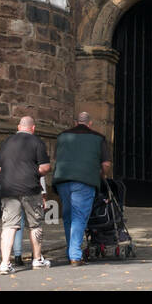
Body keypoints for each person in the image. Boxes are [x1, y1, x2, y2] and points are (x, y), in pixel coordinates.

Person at [51, 111, 112, 266]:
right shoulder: (98, 138)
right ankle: (75, 255)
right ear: (89, 123)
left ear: (75, 122)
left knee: (68, 216)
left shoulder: (62, 136)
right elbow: (106, 164)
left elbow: (56, 159)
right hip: (84, 181)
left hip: (63, 180)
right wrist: (100, 175)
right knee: (79, 216)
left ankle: (71, 252)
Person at [0, 115, 52, 275]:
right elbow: (45, 167)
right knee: (34, 224)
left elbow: (0, 170)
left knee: (8, 226)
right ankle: (37, 259)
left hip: (8, 188)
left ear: (19, 127)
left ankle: (5, 264)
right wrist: (31, 173)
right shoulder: (37, 142)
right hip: (30, 188)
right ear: (33, 128)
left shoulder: (6, 142)